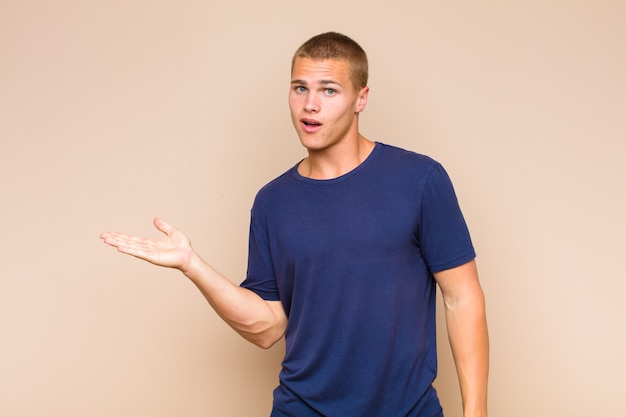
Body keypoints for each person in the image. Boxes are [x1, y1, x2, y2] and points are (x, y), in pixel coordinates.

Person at [100, 32, 489, 417]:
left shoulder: (419, 180)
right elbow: (267, 327)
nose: (310, 105)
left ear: (361, 99)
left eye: (329, 90)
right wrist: (192, 265)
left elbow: (462, 298)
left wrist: (476, 411)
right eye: (299, 88)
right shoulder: (272, 202)